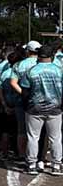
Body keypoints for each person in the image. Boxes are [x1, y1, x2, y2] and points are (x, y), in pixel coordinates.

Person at [17, 45, 63, 176]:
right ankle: (56, 165)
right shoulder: (59, 71)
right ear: (52, 56)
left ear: (38, 56)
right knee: (56, 137)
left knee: (33, 137)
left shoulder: (31, 71)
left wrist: (26, 106)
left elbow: (25, 92)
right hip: (55, 108)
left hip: (35, 108)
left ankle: (31, 164)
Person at [11, 41, 43, 162]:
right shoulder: (43, 63)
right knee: (40, 132)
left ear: (27, 51)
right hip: (40, 100)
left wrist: (24, 94)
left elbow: (13, 83)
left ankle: (22, 155)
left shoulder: (18, 65)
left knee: (22, 130)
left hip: (21, 100)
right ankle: (39, 157)